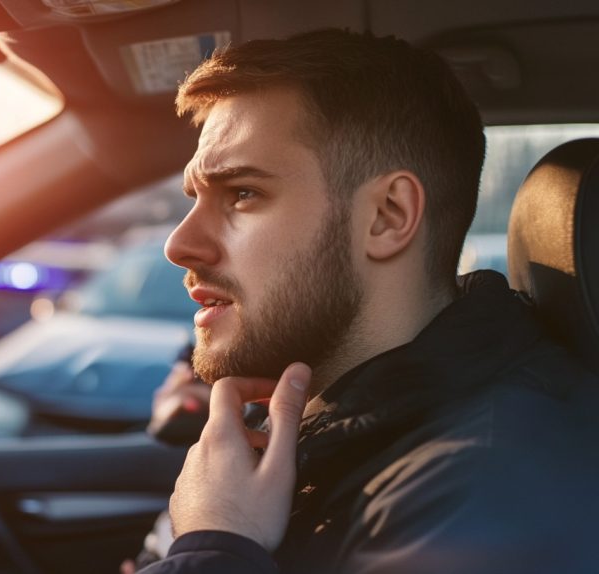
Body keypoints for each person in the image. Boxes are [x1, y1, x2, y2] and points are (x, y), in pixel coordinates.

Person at [137, 29, 599, 573]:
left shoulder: (486, 499)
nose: (179, 244)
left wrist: (213, 548)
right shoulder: (334, 423)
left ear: (388, 217)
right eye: (196, 197)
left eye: (243, 193)